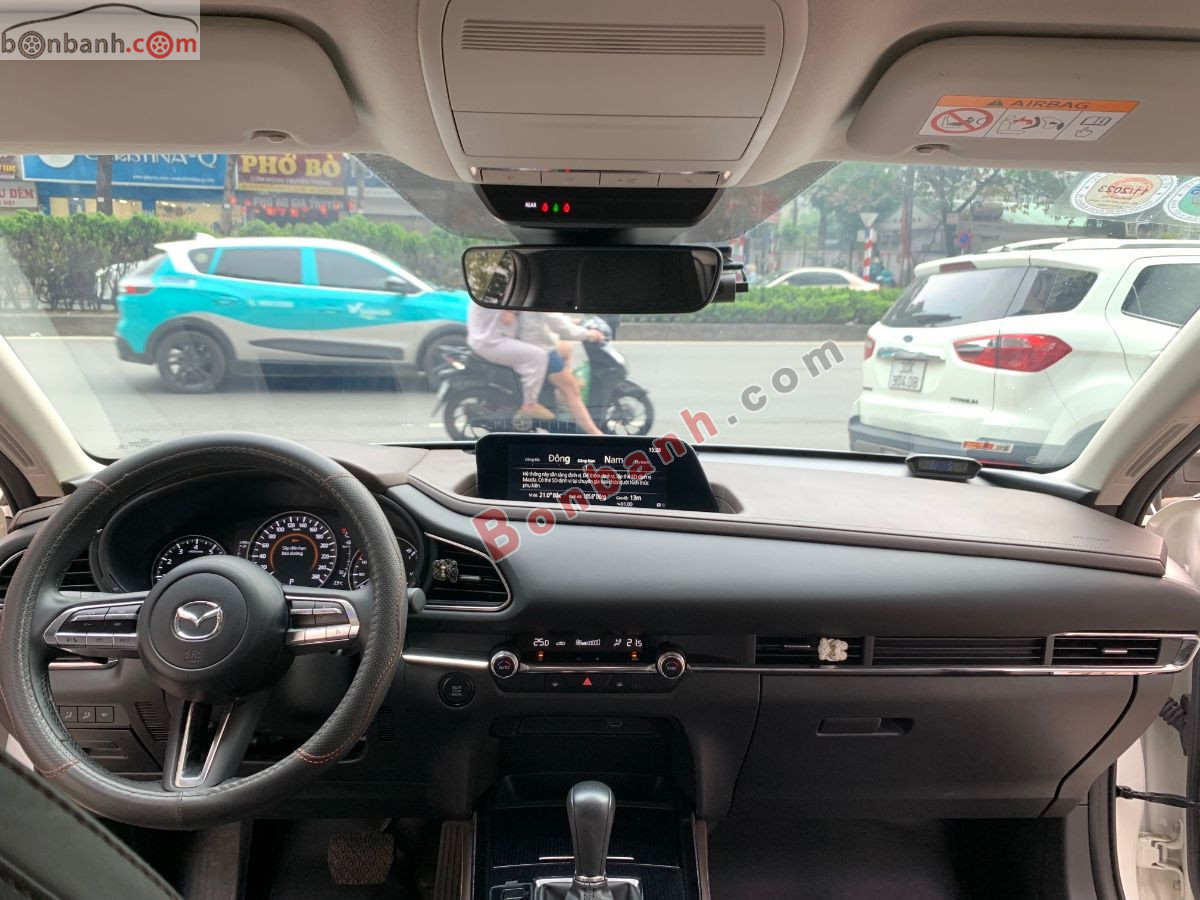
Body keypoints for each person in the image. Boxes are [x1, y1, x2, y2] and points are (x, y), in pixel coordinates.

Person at [518, 313, 606, 435]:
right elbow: (558, 324)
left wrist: (570, 320)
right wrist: (588, 334)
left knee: (566, 349)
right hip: (540, 347)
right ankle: (594, 433)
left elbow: (553, 317)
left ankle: (560, 401)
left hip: (535, 340)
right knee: (572, 388)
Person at [466, 304, 555, 420]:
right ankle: (530, 405)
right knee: (538, 356)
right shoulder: (506, 296)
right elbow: (508, 319)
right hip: (491, 342)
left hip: (480, 338)